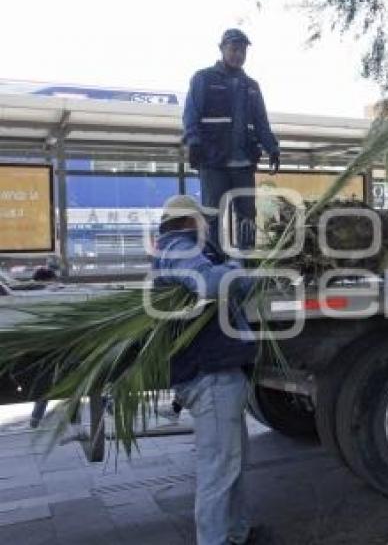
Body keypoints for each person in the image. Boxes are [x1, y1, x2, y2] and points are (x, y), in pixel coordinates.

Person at [152, 194, 263, 545]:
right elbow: (210, 284)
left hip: (220, 375)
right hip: (210, 378)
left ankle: (236, 534)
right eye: (203, 220)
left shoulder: (181, 249)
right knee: (218, 472)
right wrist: (237, 269)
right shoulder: (177, 247)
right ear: (189, 221)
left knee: (231, 466)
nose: (207, 226)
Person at [182, 28, 280, 250]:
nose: (238, 54)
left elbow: (262, 122)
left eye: (243, 50)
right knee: (212, 215)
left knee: (247, 216)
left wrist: (272, 148)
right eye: (234, 49)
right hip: (213, 162)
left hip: (244, 164)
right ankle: (212, 263)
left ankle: (245, 266)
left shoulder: (252, 86)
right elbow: (191, 114)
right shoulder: (203, 78)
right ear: (222, 49)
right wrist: (193, 142)